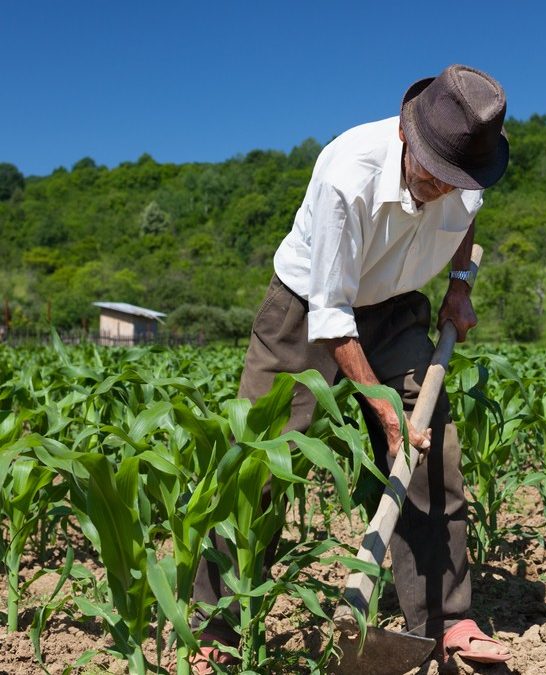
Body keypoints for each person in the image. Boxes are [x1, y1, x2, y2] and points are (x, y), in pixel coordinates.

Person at [188, 64, 512, 673]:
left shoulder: (471, 166)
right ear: (408, 138)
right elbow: (331, 314)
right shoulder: (347, 172)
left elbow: (467, 222)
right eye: (433, 173)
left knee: (431, 451)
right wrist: (381, 408)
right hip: (308, 306)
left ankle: (447, 620)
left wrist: (461, 284)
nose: (444, 188)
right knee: (259, 459)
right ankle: (213, 626)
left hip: (397, 309)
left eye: (456, 179)